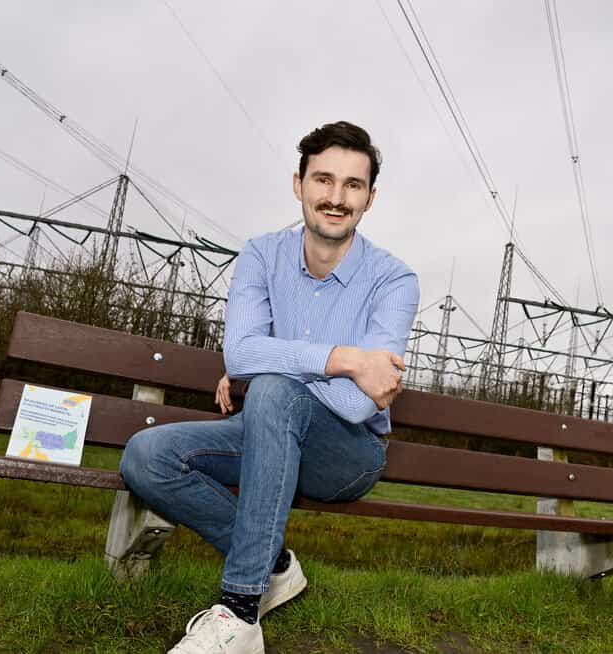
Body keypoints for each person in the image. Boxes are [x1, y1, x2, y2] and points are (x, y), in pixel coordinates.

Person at [120, 120, 420, 654]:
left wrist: (271, 367)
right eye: (323, 179)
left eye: (352, 185)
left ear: (370, 198)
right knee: (147, 456)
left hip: (347, 454)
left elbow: (357, 403)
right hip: (267, 431)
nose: (336, 197)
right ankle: (276, 566)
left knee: (275, 391)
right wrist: (346, 359)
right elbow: (240, 354)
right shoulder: (261, 255)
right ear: (299, 184)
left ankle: (239, 614)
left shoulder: (394, 280)